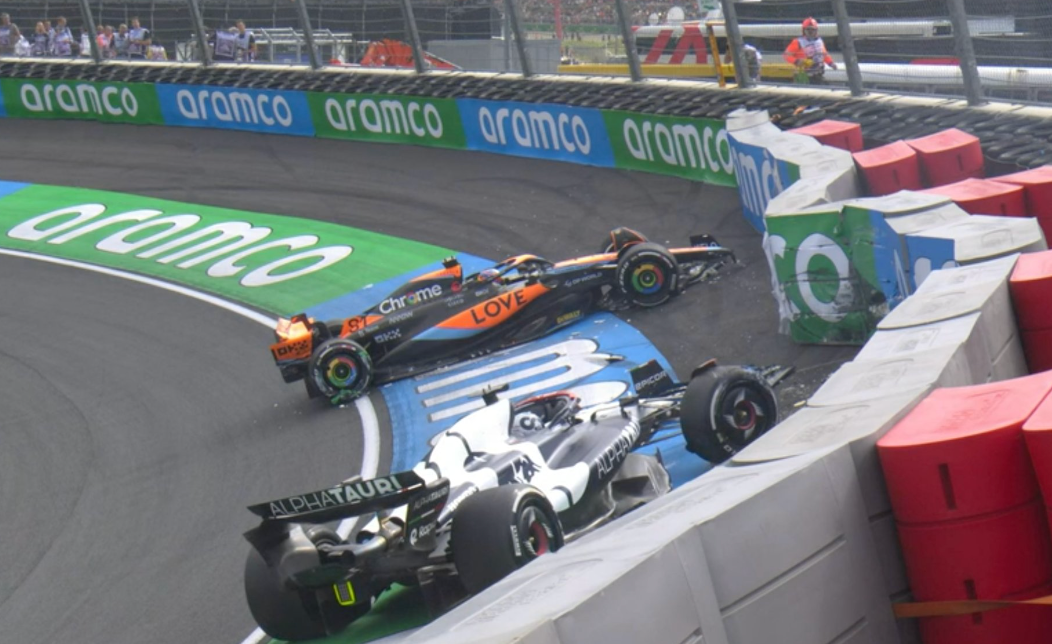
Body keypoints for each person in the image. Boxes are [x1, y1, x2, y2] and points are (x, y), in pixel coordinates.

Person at [783, 17, 837, 85]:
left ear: (816, 30)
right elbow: (786, 55)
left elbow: (824, 55)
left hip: (818, 73)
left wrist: (831, 63)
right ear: (804, 30)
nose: (810, 32)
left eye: (812, 29)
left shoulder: (819, 41)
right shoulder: (797, 42)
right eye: (808, 29)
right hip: (802, 75)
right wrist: (796, 61)